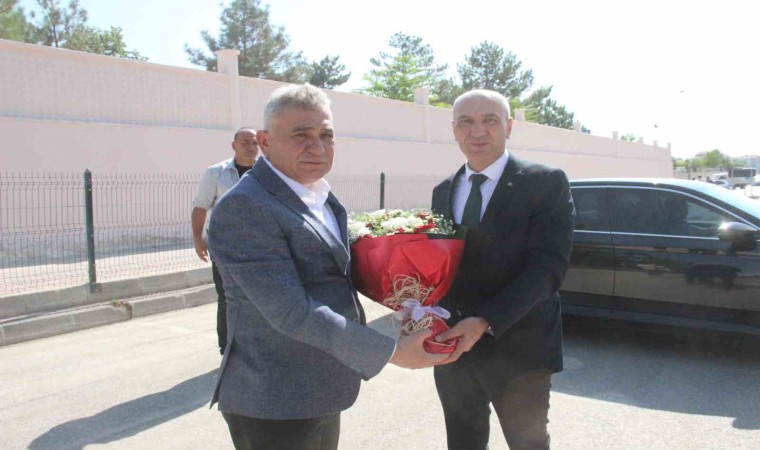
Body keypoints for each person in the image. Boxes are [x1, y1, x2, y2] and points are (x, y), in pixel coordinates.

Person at [207, 84, 446, 450]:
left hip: (320, 387)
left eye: (326, 135)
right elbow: (292, 312)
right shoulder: (246, 207)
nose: (317, 147)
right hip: (274, 401)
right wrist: (392, 351)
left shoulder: (316, 193)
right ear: (265, 142)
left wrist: (410, 297)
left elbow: (335, 274)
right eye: (301, 135)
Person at [430, 89, 575, 450]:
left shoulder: (545, 183)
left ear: (509, 127)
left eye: (490, 120)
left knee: (528, 445)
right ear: (454, 129)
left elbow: (548, 268)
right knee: (462, 442)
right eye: (466, 121)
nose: (477, 131)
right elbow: (439, 264)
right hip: (454, 350)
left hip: (520, 350)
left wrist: (485, 321)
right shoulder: (443, 190)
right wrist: (417, 305)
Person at [192, 128, 260, 355]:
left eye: (254, 143)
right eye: (245, 142)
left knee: (258, 297)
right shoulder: (217, 173)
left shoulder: (266, 172)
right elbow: (200, 207)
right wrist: (197, 239)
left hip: (260, 246)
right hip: (225, 247)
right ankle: (228, 348)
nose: (250, 147)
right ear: (234, 145)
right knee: (228, 297)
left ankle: (255, 346)